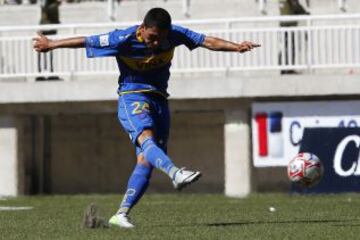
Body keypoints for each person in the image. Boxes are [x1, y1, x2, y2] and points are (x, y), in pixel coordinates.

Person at [33, 7, 260, 228]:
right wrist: (51, 44)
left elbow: (205, 40)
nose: (156, 43)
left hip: (160, 100)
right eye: (152, 38)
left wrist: (237, 47)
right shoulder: (122, 38)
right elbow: (87, 41)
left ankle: (120, 215)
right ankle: (175, 173)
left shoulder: (173, 34)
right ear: (142, 28)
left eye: (160, 39)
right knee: (146, 138)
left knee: (146, 161)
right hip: (132, 97)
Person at [279, 0, 309, 74]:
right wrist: (305, 13)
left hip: (284, 25)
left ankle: (284, 68)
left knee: (285, 47)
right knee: (290, 47)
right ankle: (287, 69)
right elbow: (297, 8)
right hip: (288, 26)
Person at [37, 0, 61, 81]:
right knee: (44, 50)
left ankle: (49, 72)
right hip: (47, 28)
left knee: (49, 51)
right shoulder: (50, 4)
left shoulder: (51, 4)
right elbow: (48, 11)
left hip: (49, 27)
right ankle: (41, 73)